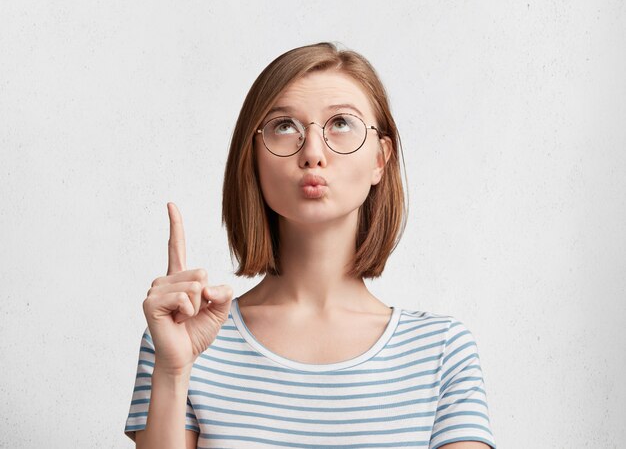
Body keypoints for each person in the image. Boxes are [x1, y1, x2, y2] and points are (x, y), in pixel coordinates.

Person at [124, 41, 497, 449]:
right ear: (253, 157)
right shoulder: (184, 340)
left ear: (380, 158)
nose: (313, 154)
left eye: (341, 123)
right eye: (285, 126)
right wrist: (174, 372)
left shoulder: (441, 353)